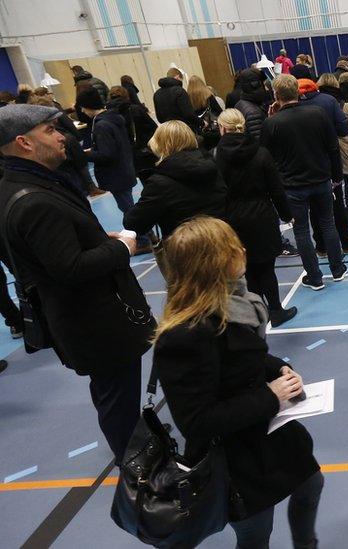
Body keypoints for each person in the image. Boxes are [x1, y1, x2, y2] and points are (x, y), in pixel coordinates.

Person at [152, 216, 323, 547]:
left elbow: (248, 356)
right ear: (213, 265)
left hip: (268, 429)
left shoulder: (237, 303)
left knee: (311, 484)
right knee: (256, 530)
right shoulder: (185, 336)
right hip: (234, 455)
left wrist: (279, 370)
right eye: (233, 248)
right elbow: (197, 422)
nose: (243, 250)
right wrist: (271, 397)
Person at [0, 104, 154, 463]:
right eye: (50, 131)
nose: (61, 137)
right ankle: (139, 470)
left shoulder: (20, 185)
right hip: (95, 323)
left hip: (82, 320)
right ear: (23, 142)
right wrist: (118, 248)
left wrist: (98, 239)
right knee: (118, 397)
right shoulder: (35, 200)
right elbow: (69, 267)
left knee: (111, 392)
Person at [262, 74, 347, 291]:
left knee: (301, 231)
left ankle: (315, 277)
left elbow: (266, 156)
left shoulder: (272, 123)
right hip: (321, 179)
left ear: (276, 95)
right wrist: (337, 176)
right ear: (298, 92)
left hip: (292, 186)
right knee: (328, 223)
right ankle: (337, 269)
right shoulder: (318, 113)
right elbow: (333, 148)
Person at [213, 109, 297, 327]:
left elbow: (214, 192)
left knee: (245, 269)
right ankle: (276, 311)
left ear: (222, 128)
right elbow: (276, 189)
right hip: (262, 215)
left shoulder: (215, 156)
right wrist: (287, 214)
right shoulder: (261, 153)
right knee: (267, 268)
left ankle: (256, 313)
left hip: (231, 219)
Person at [76, 88, 151, 255]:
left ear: (88, 106)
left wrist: (85, 155)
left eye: (82, 107)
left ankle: (144, 240)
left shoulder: (102, 125)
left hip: (116, 174)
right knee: (130, 207)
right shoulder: (114, 118)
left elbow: (106, 154)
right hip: (125, 169)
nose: (81, 111)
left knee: (128, 210)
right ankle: (148, 235)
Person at [124, 121, 227, 240]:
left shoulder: (159, 183)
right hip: (222, 237)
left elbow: (134, 223)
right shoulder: (211, 165)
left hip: (185, 246)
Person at [295, 77, 348, 255]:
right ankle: (346, 242)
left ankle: (321, 247)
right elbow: (344, 130)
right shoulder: (328, 101)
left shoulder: (286, 107)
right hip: (326, 161)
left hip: (299, 165)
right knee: (335, 204)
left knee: (312, 209)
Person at [319, 73, 348, 228]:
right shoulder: (344, 105)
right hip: (346, 146)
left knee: (331, 182)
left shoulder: (312, 105)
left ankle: (332, 210)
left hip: (323, 149)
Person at [187, 75, 224, 150]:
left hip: (199, 131)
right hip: (212, 128)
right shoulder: (208, 95)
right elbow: (219, 111)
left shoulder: (187, 98)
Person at [234, 68, 272, 141]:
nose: (266, 89)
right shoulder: (253, 113)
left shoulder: (240, 103)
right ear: (255, 85)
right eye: (263, 85)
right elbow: (260, 141)